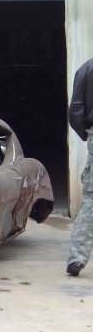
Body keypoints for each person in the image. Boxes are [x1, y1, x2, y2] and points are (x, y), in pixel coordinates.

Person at [67, 58, 93, 276]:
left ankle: (77, 257)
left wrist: (86, 133)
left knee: (92, 199)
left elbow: (76, 110)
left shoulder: (87, 68)